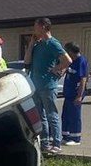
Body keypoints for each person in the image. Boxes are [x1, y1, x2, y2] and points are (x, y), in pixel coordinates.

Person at [24, 18, 72, 154]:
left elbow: (67, 60)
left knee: (51, 114)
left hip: (48, 85)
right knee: (40, 115)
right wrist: (31, 44)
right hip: (35, 84)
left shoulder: (53, 43)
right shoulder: (38, 45)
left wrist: (56, 68)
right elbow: (27, 61)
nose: (34, 30)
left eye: (36, 27)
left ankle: (57, 142)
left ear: (44, 27)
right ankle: (45, 142)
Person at [62, 42, 88, 146]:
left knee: (74, 116)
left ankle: (75, 138)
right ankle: (66, 136)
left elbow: (83, 80)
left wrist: (79, 96)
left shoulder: (81, 61)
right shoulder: (71, 61)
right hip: (68, 94)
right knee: (66, 115)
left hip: (75, 94)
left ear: (71, 52)